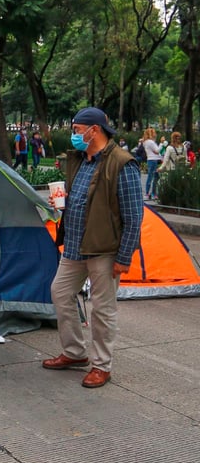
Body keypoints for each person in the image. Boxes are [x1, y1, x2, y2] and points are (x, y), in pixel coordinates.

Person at [45, 107, 143, 388]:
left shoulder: (123, 164)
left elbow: (134, 216)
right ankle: (75, 353)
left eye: (77, 131)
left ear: (94, 130)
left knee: (102, 308)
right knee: (60, 293)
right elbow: (75, 196)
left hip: (104, 248)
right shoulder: (79, 160)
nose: (74, 136)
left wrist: (124, 257)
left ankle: (102, 365)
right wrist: (59, 203)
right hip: (75, 245)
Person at [142, 128, 161, 200]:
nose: (155, 134)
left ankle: (150, 193)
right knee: (153, 177)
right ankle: (150, 193)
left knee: (154, 176)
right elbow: (157, 151)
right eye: (154, 132)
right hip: (153, 160)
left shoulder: (146, 142)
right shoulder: (150, 142)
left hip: (151, 160)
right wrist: (162, 144)